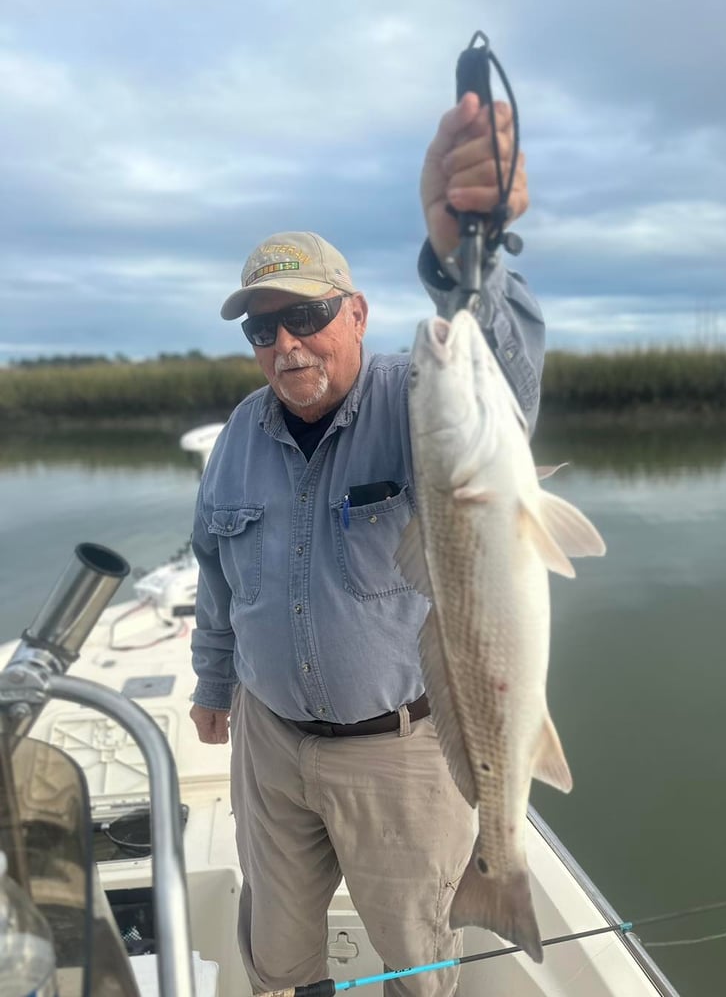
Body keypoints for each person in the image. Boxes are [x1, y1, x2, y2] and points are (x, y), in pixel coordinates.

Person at [189, 92, 546, 997]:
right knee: (277, 956)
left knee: (418, 963)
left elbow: (495, 366)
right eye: (261, 329)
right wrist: (212, 681)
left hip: (403, 749)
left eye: (304, 317)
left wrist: (471, 249)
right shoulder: (236, 435)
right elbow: (215, 567)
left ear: (354, 312)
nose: (285, 344)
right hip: (270, 745)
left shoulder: (416, 396)